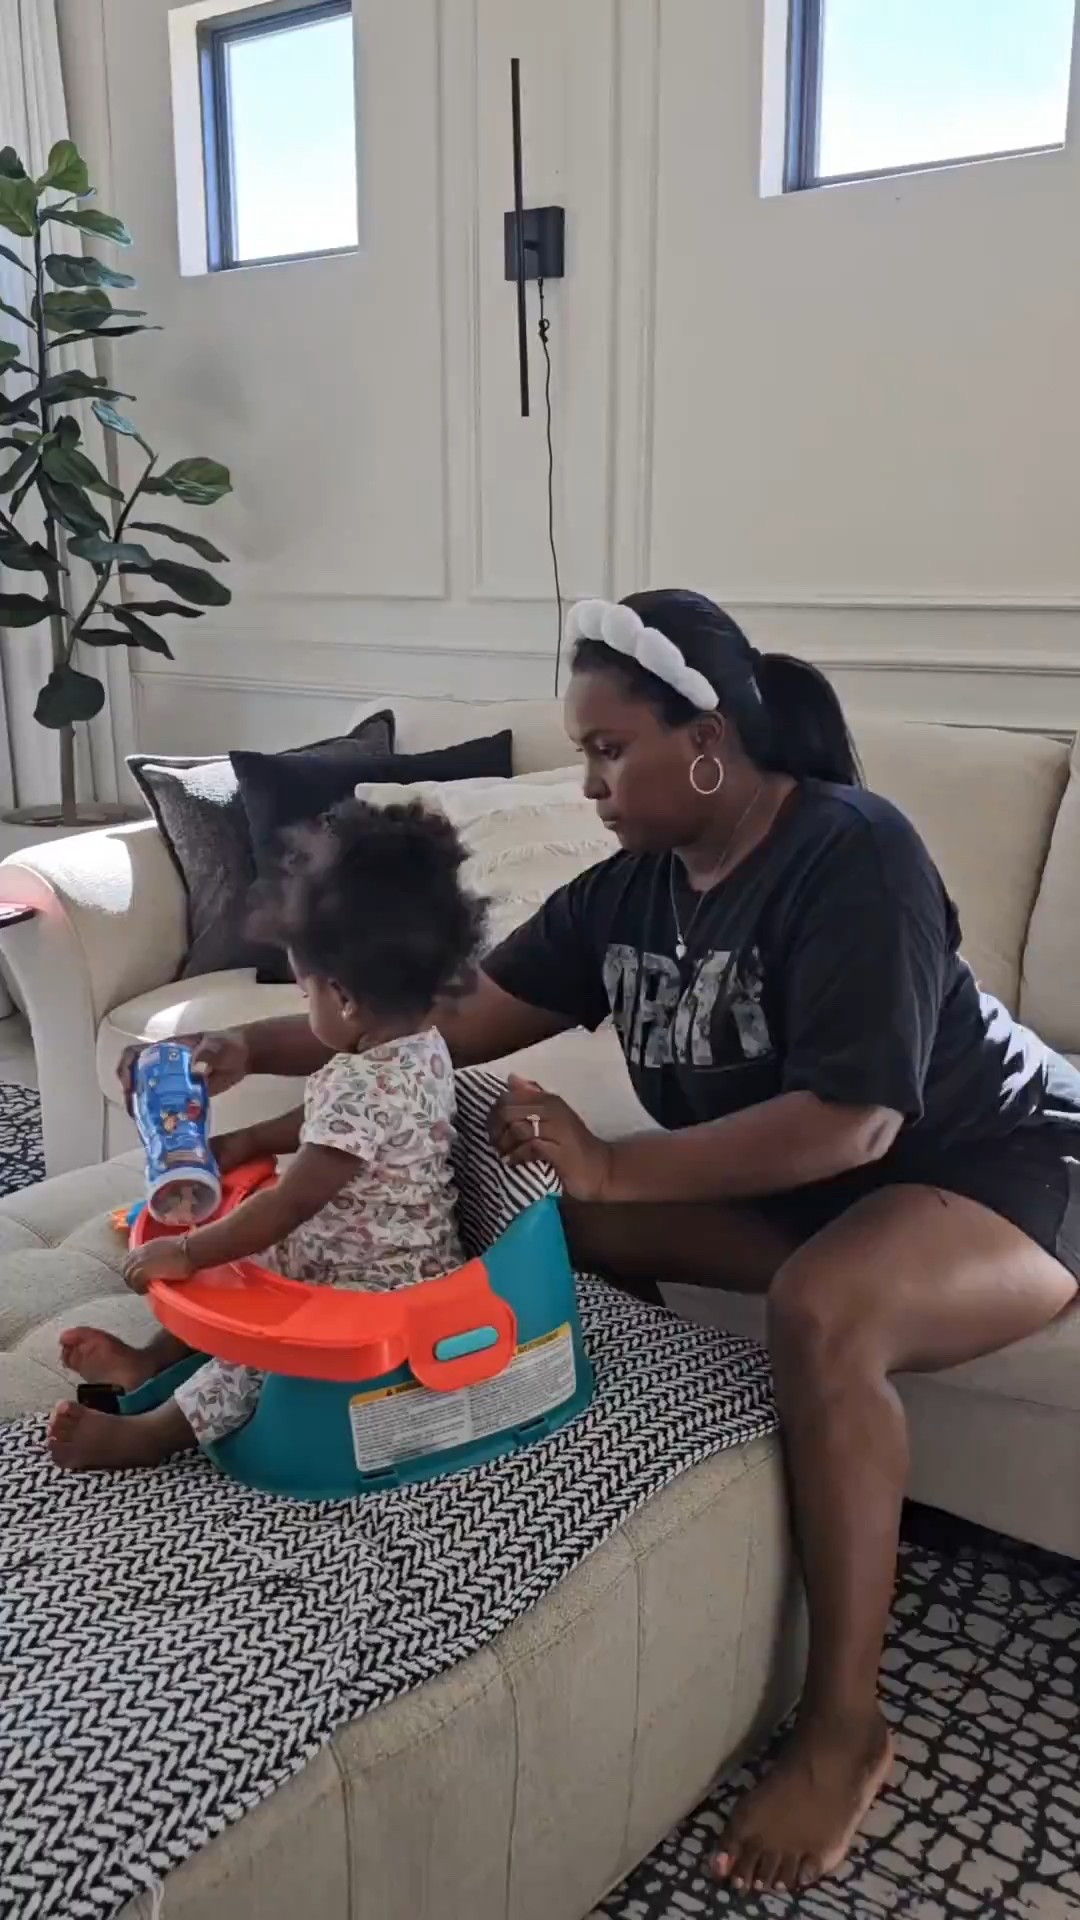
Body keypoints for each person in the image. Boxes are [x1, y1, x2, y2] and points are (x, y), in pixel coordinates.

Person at [118, 588, 1080, 1895]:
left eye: (608, 751)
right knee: (552, 1221)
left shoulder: (855, 851)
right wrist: (247, 1048)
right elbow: (430, 1024)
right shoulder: (630, 894)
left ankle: (849, 1724)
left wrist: (622, 1159)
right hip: (811, 1184)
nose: (587, 784)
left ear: (708, 738)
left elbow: (856, 1123)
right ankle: (651, 1490)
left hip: (999, 1166)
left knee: (825, 1308)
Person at [52, 799, 484, 1474]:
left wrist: (190, 1251)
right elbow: (333, 1136)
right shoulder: (421, 1048)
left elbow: (291, 1203)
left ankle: (156, 1433)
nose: (304, 1007)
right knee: (245, 1275)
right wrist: (246, 1142)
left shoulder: (360, 1083)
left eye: (305, 990)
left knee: (256, 1346)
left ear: (341, 996)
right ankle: (151, 1360)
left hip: (370, 1289)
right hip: (382, 1257)